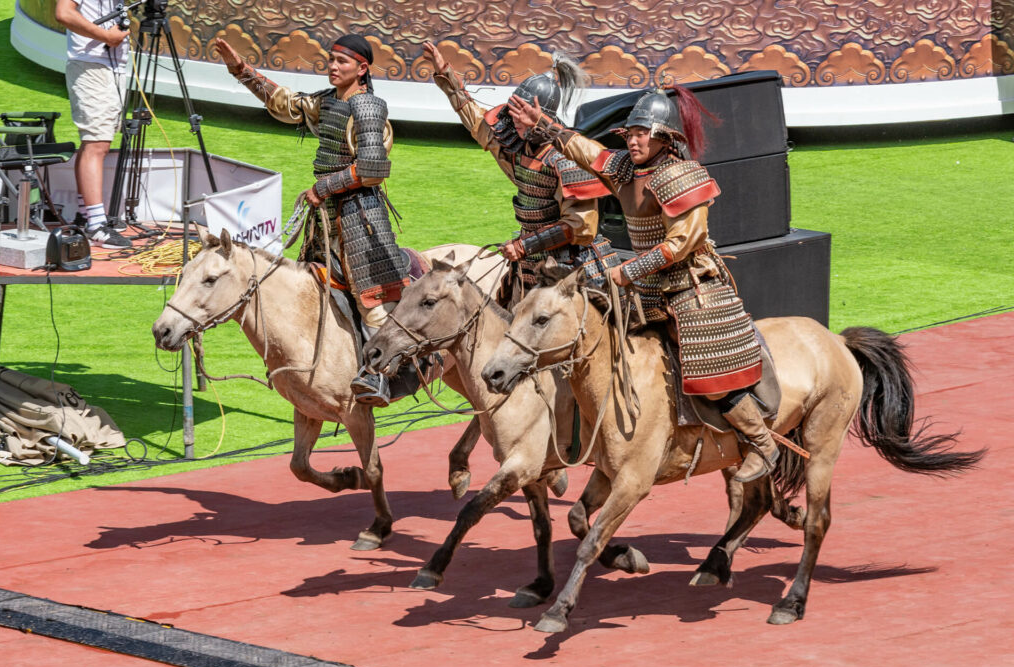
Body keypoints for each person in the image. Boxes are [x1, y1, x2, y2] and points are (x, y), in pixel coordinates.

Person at [508, 88, 780, 482]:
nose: (633, 140)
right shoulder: (626, 169)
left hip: (692, 286)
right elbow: (589, 153)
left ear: (665, 139)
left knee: (708, 368)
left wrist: (627, 271)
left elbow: (681, 242)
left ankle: (762, 444)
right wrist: (546, 127)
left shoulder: (681, 176)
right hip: (648, 287)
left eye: (642, 133)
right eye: (630, 133)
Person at [214, 34, 410, 407]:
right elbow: (284, 103)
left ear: (362, 68)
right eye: (331, 59)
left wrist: (324, 188)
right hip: (325, 217)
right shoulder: (328, 101)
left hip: (359, 216)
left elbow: (372, 168)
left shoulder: (369, 108)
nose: (333, 67)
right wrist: (240, 69)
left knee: (370, 301)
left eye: (342, 62)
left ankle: (383, 376)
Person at [421, 41, 613, 300]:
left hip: (570, 264)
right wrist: (446, 74)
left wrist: (524, 245)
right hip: (525, 261)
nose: (514, 121)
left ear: (541, 117)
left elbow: (580, 227)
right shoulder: (515, 143)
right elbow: (475, 119)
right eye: (513, 113)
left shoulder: (567, 160)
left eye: (522, 115)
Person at [54, 0, 132, 249]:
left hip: (111, 66)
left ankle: (86, 214)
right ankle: (96, 225)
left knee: (96, 143)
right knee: (96, 143)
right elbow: (63, 13)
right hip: (90, 65)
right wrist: (105, 36)